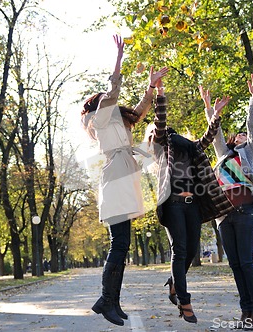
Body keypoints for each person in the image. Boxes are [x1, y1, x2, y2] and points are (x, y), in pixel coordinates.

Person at [81, 35, 168, 326]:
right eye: (104, 101)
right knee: (118, 244)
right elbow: (113, 92)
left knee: (122, 244)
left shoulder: (117, 120)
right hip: (116, 177)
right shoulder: (100, 119)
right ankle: (107, 300)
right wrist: (118, 59)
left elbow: (141, 111)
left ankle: (110, 301)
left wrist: (152, 87)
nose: (112, 103)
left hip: (124, 174)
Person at [147, 78, 233, 324]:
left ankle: (174, 283)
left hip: (193, 204)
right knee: (180, 249)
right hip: (173, 203)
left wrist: (215, 116)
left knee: (192, 248)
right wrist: (160, 92)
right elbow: (160, 121)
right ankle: (185, 301)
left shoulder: (190, 146)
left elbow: (206, 139)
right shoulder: (163, 142)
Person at [199, 74, 253, 329]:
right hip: (223, 216)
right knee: (235, 265)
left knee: (246, 262)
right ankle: (246, 313)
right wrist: (210, 108)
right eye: (239, 134)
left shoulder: (250, 153)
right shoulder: (222, 155)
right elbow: (215, 133)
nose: (243, 135)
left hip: (244, 212)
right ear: (233, 140)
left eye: (244, 135)